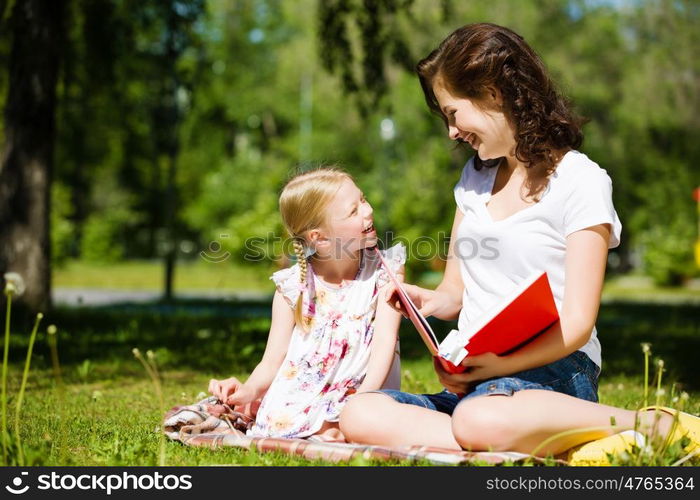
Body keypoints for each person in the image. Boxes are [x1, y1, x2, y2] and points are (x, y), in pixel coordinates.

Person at [339, 23, 692, 457]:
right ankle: (507, 440)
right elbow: (455, 292)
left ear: (491, 93)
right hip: (484, 385)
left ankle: (646, 422)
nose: (451, 131)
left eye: (453, 113)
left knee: (477, 418)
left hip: (555, 373)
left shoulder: (580, 181)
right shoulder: (473, 180)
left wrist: (502, 366)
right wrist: (425, 302)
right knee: (359, 412)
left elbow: (577, 324)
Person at [208, 168, 405, 440]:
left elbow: (385, 344)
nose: (368, 210)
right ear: (319, 237)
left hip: (364, 388)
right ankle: (324, 429)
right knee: (275, 417)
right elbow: (272, 360)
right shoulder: (293, 285)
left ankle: (336, 428)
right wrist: (249, 390)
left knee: (357, 418)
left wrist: (360, 402)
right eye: (353, 211)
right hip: (307, 389)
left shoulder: (386, 272)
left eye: (363, 199)